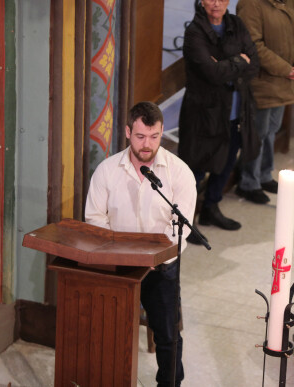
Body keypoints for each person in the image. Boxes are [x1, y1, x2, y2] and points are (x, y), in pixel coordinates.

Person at [84, 102, 197, 387]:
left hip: (160, 268)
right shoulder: (107, 171)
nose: (148, 145)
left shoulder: (179, 173)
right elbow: (95, 219)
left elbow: (179, 227)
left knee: (168, 336)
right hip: (117, 266)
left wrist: (153, 256)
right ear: (127, 132)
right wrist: (118, 255)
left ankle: (169, 384)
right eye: (140, 137)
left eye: (154, 136)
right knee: (109, 332)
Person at [178, 0, 260, 237]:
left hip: (235, 111)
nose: (216, 3)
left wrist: (226, 66)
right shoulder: (194, 32)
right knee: (195, 169)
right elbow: (211, 74)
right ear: (201, 1)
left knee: (225, 163)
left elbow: (254, 65)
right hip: (204, 114)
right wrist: (238, 61)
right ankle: (186, 221)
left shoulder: (236, 23)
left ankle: (211, 208)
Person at [236, 0, 294, 204]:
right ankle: (248, 183)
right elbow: (254, 45)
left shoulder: (287, 1)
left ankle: (264, 174)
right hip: (263, 82)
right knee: (257, 133)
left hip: (285, 81)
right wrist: (286, 69)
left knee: (271, 130)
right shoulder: (251, 5)